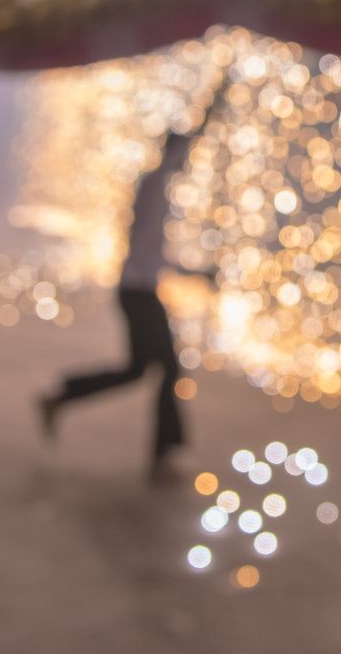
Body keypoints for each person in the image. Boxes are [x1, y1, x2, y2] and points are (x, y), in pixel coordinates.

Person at [37, 111, 214, 479]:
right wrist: (210, 111)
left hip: (139, 291)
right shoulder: (155, 184)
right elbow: (154, 258)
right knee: (167, 369)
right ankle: (163, 455)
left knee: (139, 370)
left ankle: (62, 397)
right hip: (139, 294)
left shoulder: (158, 188)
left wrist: (196, 274)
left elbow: (156, 256)